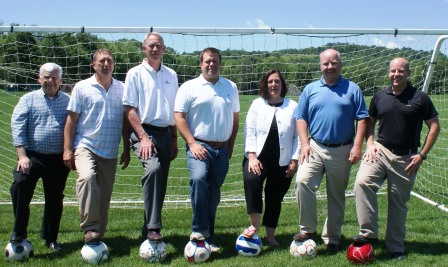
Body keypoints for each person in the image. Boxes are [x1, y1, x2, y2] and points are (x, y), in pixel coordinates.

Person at [351, 57, 440, 260]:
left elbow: (434, 126)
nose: (396, 74)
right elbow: (369, 121)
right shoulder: (380, 96)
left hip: (407, 157)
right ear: (388, 73)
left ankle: (396, 246)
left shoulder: (420, 98)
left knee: (398, 202)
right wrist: (370, 143)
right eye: (393, 71)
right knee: (362, 182)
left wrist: (422, 155)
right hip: (380, 150)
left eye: (400, 71)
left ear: (408, 73)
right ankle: (368, 234)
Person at [292, 48, 369, 253]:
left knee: (336, 195)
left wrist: (357, 145)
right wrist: (304, 143)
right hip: (315, 147)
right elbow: (301, 118)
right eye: (325, 63)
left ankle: (332, 238)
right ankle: (308, 230)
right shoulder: (310, 89)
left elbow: (362, 119)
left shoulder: (352, 89)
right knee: (302, 181)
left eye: (333, 63)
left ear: (340, 64)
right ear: (320, 66)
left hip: (343, 149)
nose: (329, 67)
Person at [174, 47, 240, 252]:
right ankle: (199, 230)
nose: (211, 64)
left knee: (213, 194)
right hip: (199, 146)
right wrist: (192, 143)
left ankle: (208, 236)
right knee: (198, 179)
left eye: (215, 61)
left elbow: (235, 119)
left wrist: (229, 146)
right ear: (201, 64)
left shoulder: (231, 86)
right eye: (207, 61)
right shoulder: (189, 87)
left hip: (221, 150)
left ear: (220, 63)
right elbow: (178, 117)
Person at [63, 48, 130, 244]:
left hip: (109, 151)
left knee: (103, 198)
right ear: (94, 65)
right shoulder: (82, 87)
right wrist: (67, 149)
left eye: (109, 61)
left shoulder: (122, 88)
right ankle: (90, 227)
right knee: (87, 177)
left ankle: (97, 237)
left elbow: (126, 122)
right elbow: (71, 120)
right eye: (102, 61)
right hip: (85, 146)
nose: (106, 64)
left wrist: (126, 148)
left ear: (114, 64)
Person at [123, 32, 179, 241]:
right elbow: (129, 108)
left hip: (165, 133)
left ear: (163, 49)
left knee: (161, 182)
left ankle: (147, 227)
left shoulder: (171, 75)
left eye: (159, 46)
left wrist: (173, 138)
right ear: (144, 48)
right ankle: (154, 228)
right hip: (143, 132)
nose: (155, 49)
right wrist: (144, 137)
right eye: (151, 46)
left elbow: (174, 110)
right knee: (153, 170)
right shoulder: (135, 73)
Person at [9, 63, 70, 252]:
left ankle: (51, 238)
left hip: (58, 159)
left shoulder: (68, 101)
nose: (50, 81)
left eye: (54, 77)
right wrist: (22, 156)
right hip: (32, 157)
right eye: (46, 77)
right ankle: (19, 233)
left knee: (54, 199)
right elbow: (17, 126)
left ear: (60, 80)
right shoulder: (28, 99)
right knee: (19, 185)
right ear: (39, 78)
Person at [241, 69, 300, 246]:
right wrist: (251, 156)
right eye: (270, 82)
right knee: (252, 181)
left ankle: (271, 236)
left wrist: (294, 160)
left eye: (277, 81)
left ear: (282, 85)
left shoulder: (293, 106)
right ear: (265, 85)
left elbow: (298, 136)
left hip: (282, 162)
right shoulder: (257, 104)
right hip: (258, 159)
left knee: (275, 197)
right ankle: (254, 225)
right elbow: (249, 130)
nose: (273, 85)